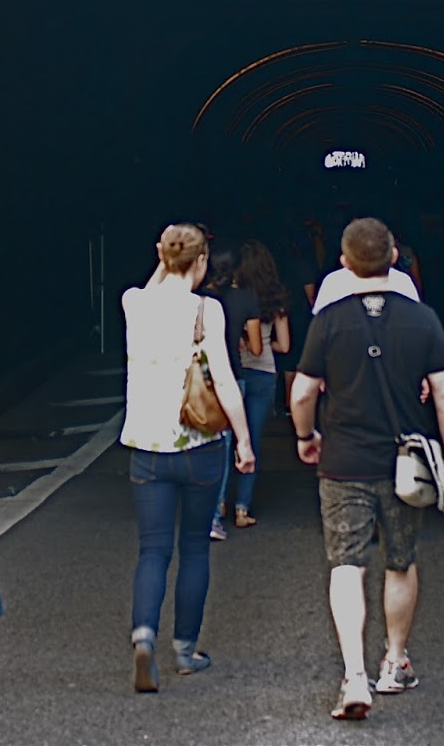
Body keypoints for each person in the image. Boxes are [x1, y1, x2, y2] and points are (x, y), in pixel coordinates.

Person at [290, 217, 444, 722]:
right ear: (394, 258)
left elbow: (302, 391)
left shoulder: (328, 319)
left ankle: (353, 676)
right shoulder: (423, 319)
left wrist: (305, 436)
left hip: (343, 459)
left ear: (343, 262)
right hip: (406, 460)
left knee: (346, 565)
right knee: (400, 560)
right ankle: (394, 661)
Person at [120, 224, 255, 692]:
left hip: (146, 450)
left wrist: (167, 254)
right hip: (198, 449)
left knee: (153, 549)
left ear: (161, 255)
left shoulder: (133, 303)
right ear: (201, 262)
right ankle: (184, 650)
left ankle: (143, 638)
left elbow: (158, 282)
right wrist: (244, 441)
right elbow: (224, 380)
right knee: (195, 547)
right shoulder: (207, 310)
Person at [201, 244, 263, 541]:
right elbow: (255, 347)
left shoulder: (199, 299)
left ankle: (209, 511)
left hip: (200, 378)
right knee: (226, 447)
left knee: (201, 448)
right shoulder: (246, 299)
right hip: (233, 374)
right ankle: (216, 516)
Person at [231, 239, 292, 525]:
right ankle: (242, 508)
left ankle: (218, 504)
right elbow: (285, 346)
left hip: (235, 372)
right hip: (265, 373)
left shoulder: (231, 299)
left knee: (227, 439)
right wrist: (265, 343)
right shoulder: (275, 299)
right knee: (252, 441)